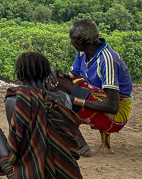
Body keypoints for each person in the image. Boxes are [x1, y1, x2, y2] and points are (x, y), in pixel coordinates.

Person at [49, 19, 133, 155]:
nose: (71, 43)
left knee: (57, 101)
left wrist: (73, 100)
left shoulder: (107, 60)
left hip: (115, 115)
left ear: (82, 40)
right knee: (53, 83)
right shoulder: (84, 53)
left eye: (73, 39)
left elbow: (113, 106)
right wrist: (54, 72)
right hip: (97, 97)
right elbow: (68, 78)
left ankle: (80, 146)